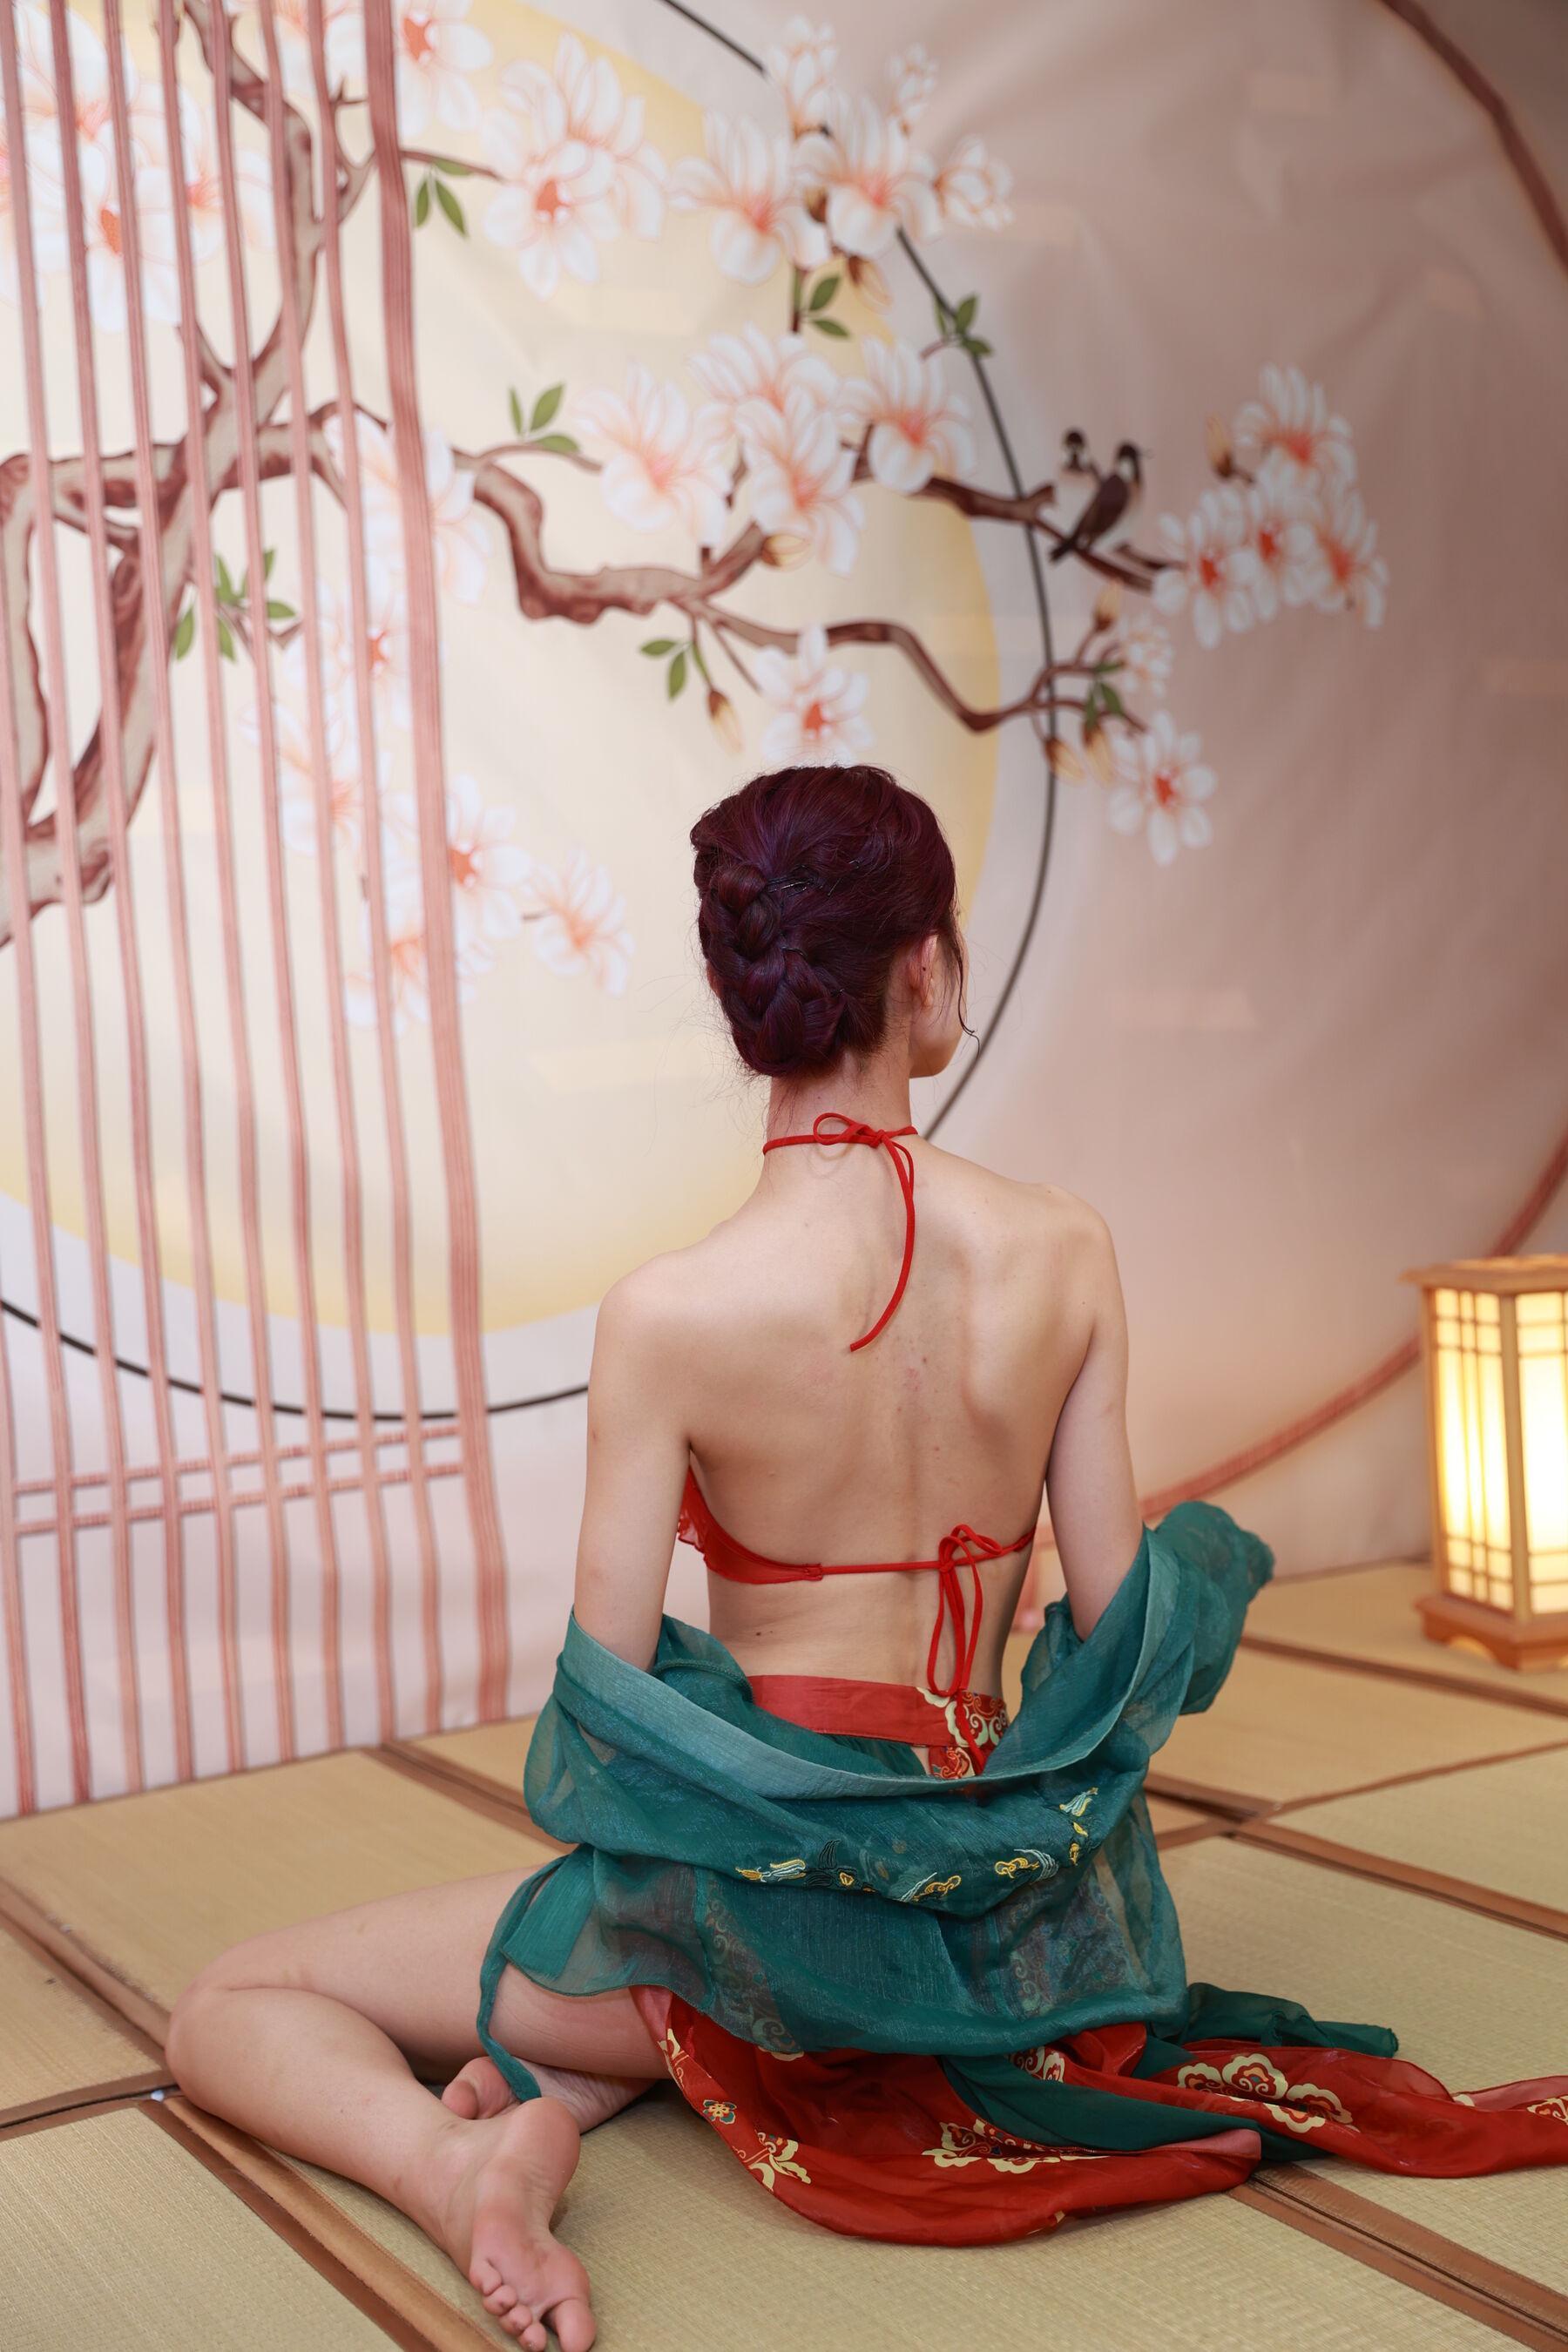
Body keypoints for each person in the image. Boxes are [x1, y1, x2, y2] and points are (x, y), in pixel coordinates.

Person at [167, 764, 1568, 2351]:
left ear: (744, 993)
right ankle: (609, 2072)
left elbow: (613, 1727)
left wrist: (758, 1844)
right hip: (1040, 1941)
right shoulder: (1066, 1249)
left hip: (776, 1931)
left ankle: (463, 2160)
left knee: (234, 2000)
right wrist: (1213, 1567)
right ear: (927, 969)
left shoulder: (671, 1314)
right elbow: (1123, 1647)